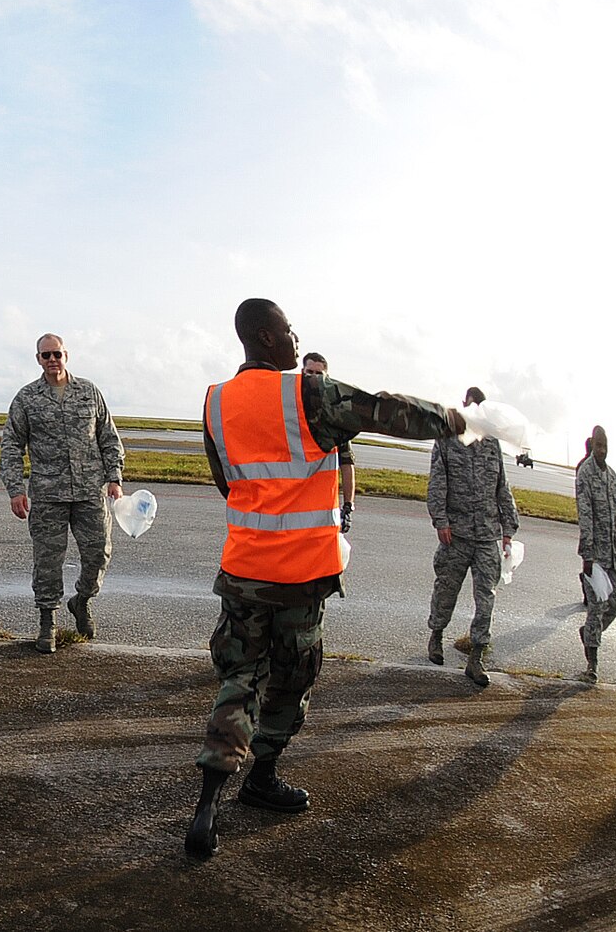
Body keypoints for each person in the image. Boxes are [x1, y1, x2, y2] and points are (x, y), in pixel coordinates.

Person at [185, 298, 462, 858]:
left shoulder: (215, 402)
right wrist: (451, 421)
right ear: (266, 337)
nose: (294, 339)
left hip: (242, 570)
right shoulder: (306, 393)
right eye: (287, 331)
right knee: (292, 682)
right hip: (301, 576)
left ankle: (209, 803)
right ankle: (260, 781)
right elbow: (385, 411)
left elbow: (226, 481)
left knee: (240, 681)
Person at [0, 333, 126, 653]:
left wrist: (115, 477)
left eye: (57, 354)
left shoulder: (88, 392)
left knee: (99, 555)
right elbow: (11, 445)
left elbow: (108, 436)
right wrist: (15, 489)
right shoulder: (27, 398)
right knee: (47, 561)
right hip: (47, 493)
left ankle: (81, 601)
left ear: (66, 355)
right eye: (46, 356)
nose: (52, 360)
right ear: (38, 359)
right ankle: (47, 621)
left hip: (89, 491)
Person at [425, 387, 518, 687]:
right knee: (446, 589)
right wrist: (440, 519)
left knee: (486, 598)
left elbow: (502, 486)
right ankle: (436, 636)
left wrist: (509, 528)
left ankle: (476, 657)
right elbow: (437, 480)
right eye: (472, 406)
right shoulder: (448, 438)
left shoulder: (492, 444)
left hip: (487, 534)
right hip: (457, 532)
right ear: (464, 406)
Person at [576, 425, 616, 682]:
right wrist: (587, 555)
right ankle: (592, 664)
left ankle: (588, 633)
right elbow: (584, 515)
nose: (602, 451)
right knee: (596, 607)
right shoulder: (585, 474)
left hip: (614, 554)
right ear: (592, 446)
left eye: (605, 446)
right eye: (599, 446)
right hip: (595, 556)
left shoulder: (612, 476)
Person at [300, 353, 358, 531]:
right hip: (288, 502)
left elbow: (347, 465)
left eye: (319, 374)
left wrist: (348, 506)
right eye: (310, 372)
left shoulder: (334, 417)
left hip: (322, 506)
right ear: (302, 372)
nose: (313, 378)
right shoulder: (290, 407)